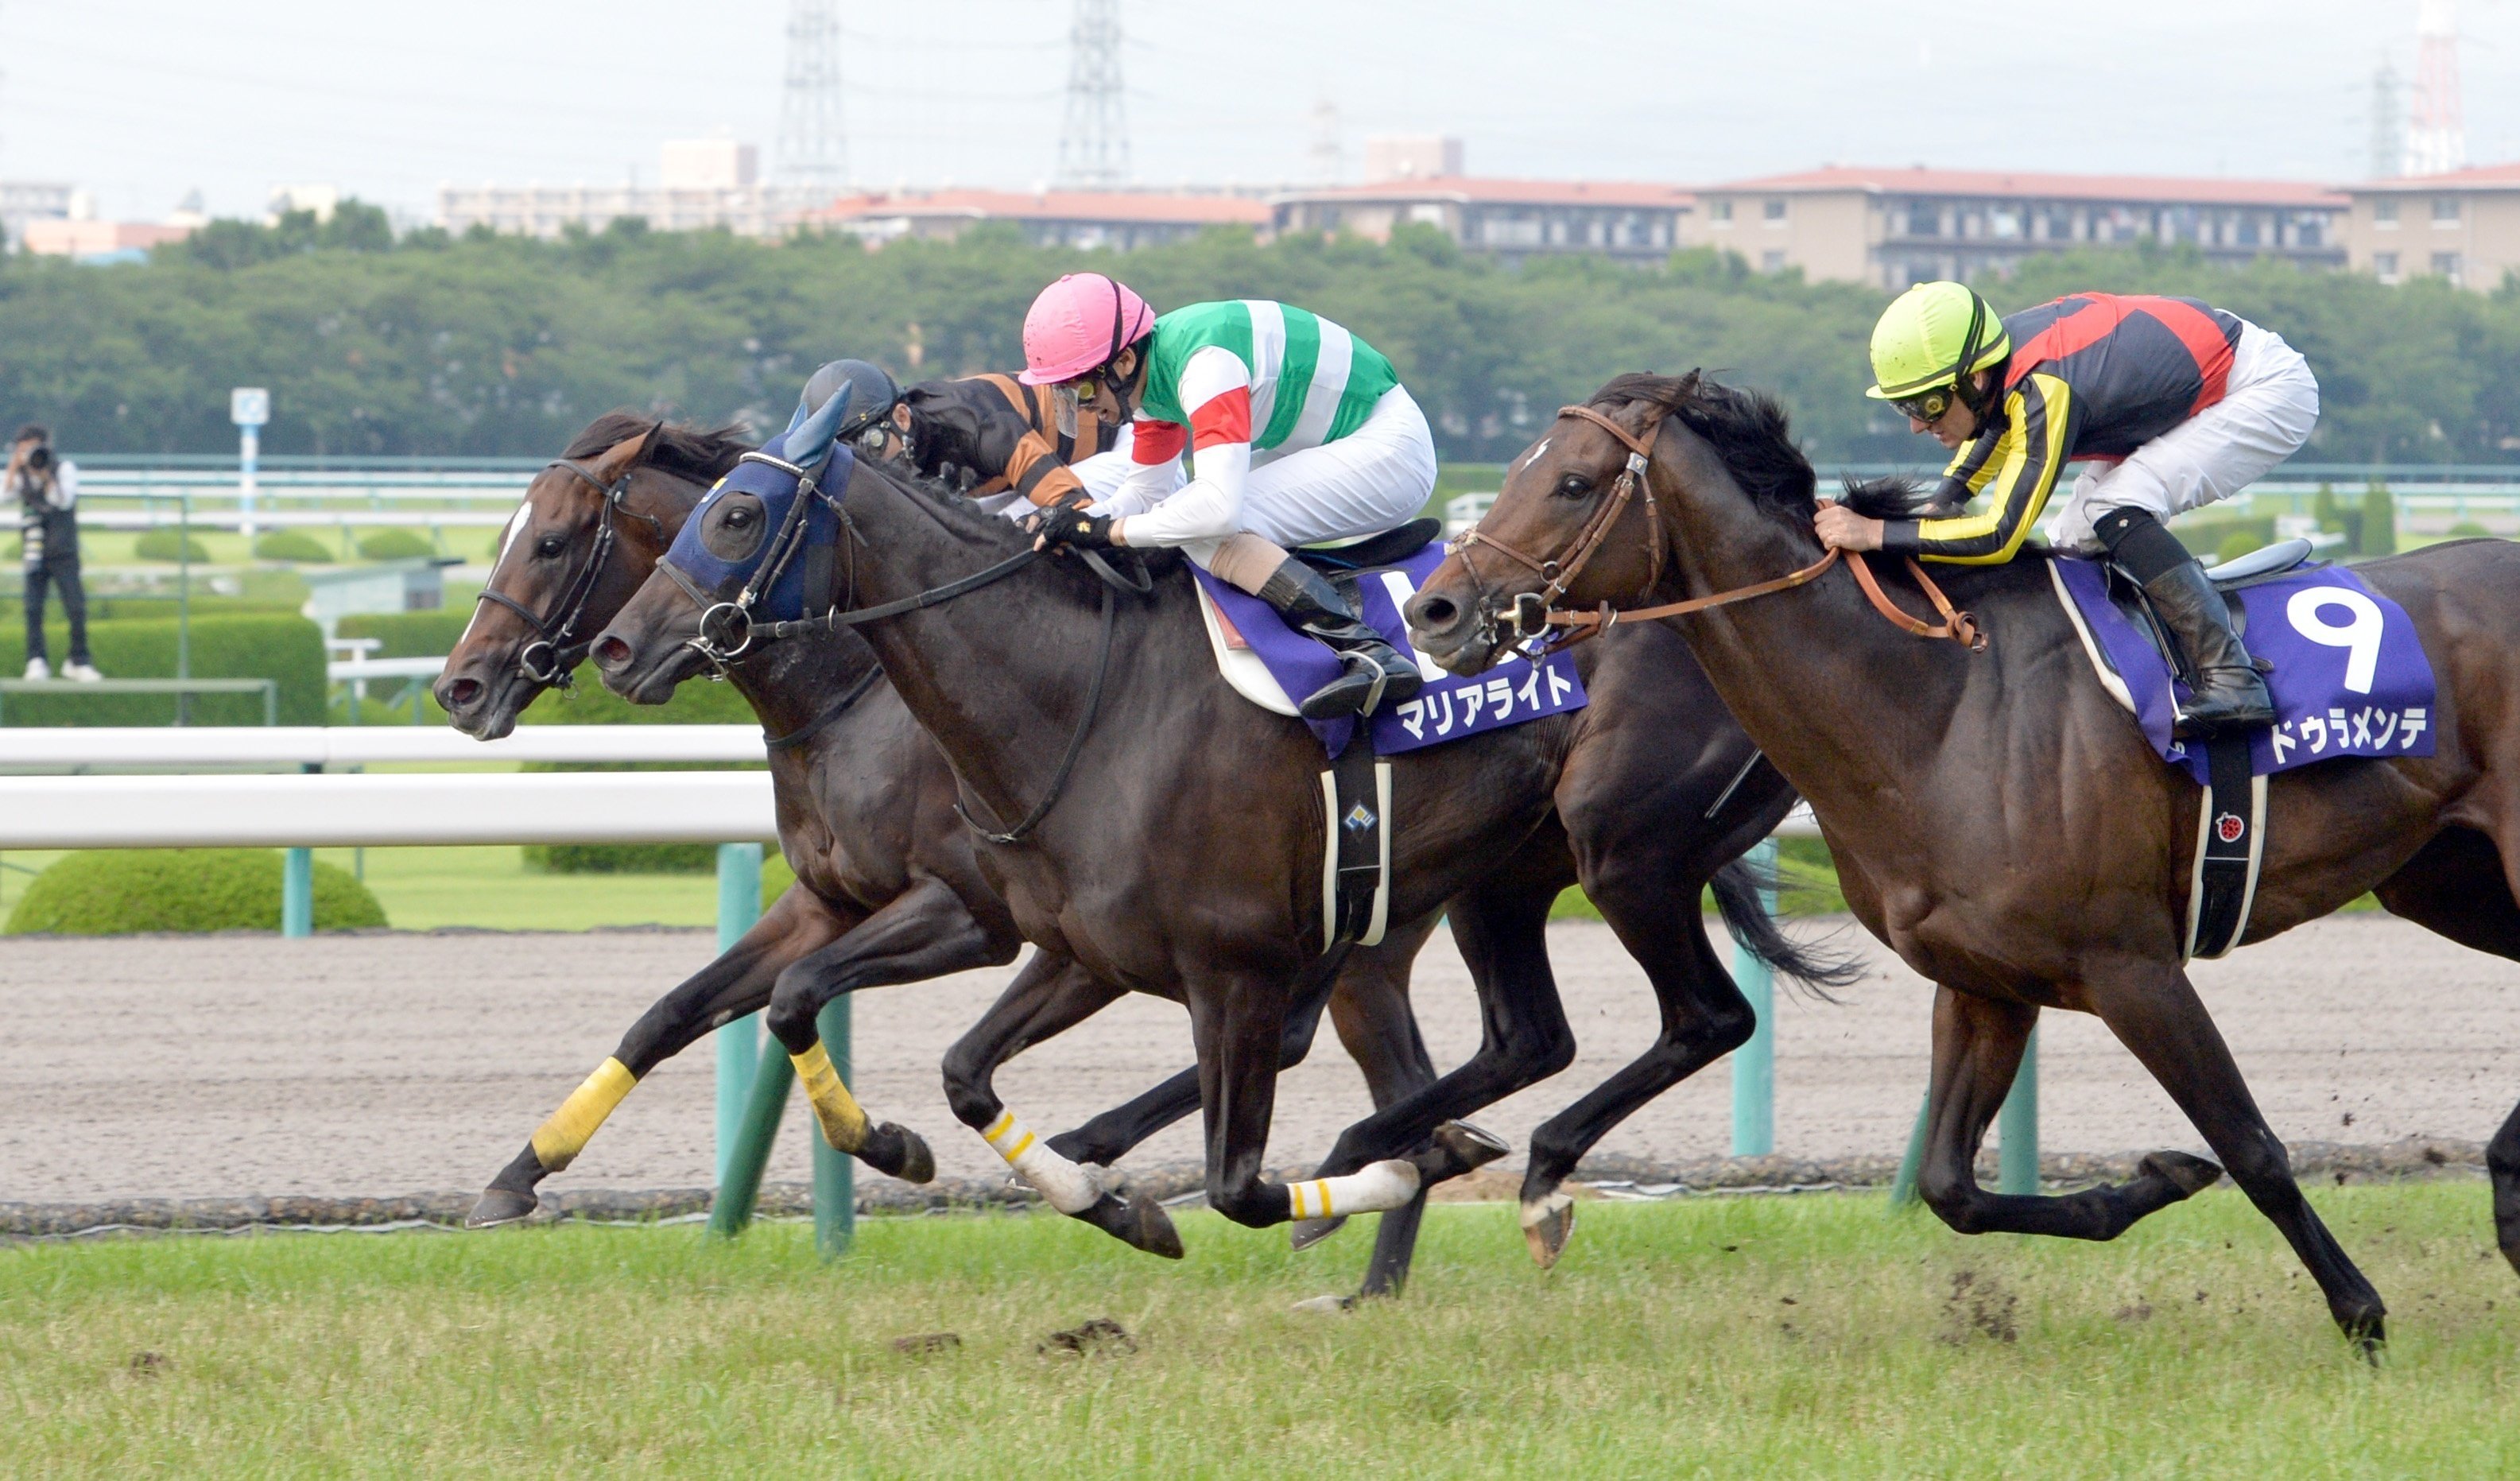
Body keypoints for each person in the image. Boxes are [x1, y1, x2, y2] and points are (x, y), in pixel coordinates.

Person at [1816, 282, 2319, 738]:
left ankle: (2232, 676)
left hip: (2260, 389)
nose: (1917, 427)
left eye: (1925, 406)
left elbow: (2000, 536)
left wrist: (1874, 532)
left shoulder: (2044, 386)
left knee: (2114, 505)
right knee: (2072, 538)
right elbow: (1994, 426)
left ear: (1975, 380)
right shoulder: (1999, 369)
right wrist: (1943, 501)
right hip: (2190, 387)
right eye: (1904, 407)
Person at [1014, 273, 1434, 719]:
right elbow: (1144, 492)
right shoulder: (1153, 379)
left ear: (1121, 363)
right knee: (1181, 515)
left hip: (1390, 452)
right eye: (1064, 394)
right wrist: (1072, 519)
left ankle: (1369, 651)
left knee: (1203, 528)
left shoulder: (1205, 365)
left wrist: (1106, 531)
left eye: (1081, 389)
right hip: (1339, 443)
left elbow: (1216, 512)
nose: (1082, 409)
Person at [13, 424, 99, 682]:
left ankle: (78, 659)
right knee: (32, 609)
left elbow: (63, 501)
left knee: (76, 607)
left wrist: (46, 475)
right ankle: (36, 660)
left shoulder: (64, 469)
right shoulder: (21, 475)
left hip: (63, 550)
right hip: (35, 550)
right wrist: (14, 468)